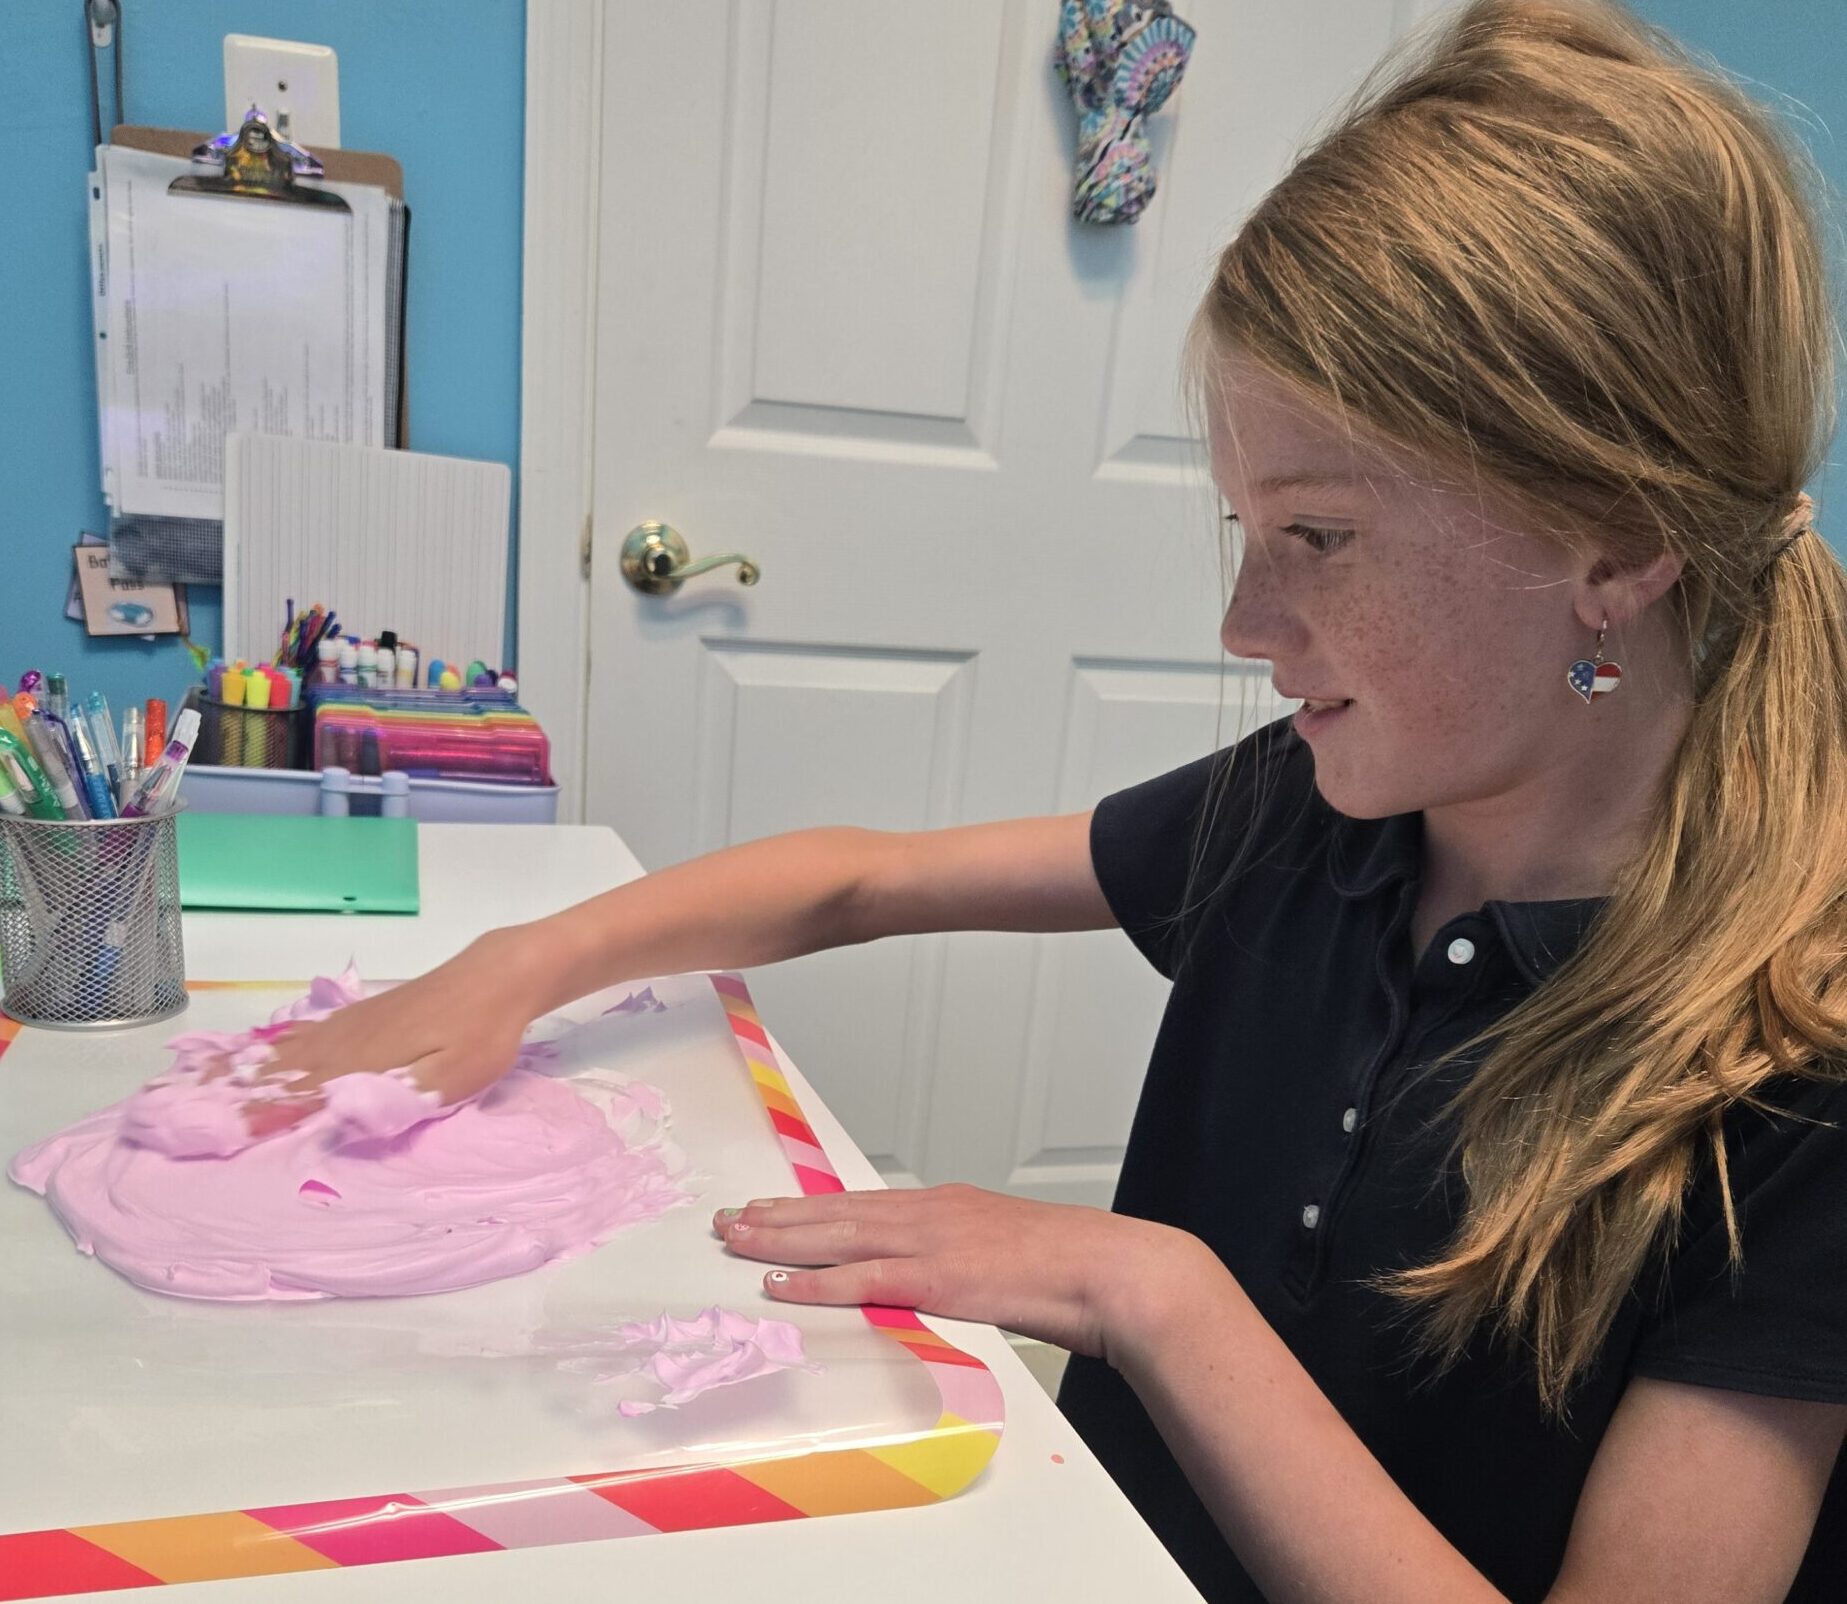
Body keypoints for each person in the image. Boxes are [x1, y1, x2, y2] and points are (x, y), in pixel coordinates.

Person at [268, 2, 1847, 1596]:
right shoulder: (1314, 821)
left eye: (1318, 537)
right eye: (1243, 528)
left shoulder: (1800, 1070)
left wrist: (1149, 1296)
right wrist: (524, 962)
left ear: (1620, 547)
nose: (1244, 624)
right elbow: (863, 881)